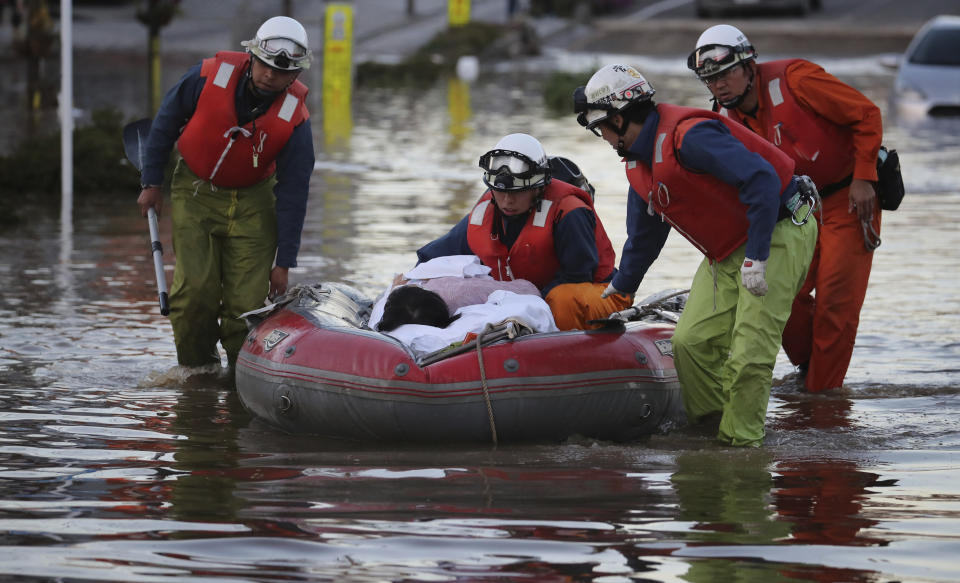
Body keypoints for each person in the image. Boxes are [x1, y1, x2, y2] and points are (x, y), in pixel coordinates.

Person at [573, 64, 818, 446]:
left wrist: (756, 257)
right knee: (690, 344)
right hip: (726, 249)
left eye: (600, 127)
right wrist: (622, 284)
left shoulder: (691, 137)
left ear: (619, 119)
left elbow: (762, 179)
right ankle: (710, 429)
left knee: (749, 353)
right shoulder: (638, 159)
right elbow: (645, 234)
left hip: (778, 232)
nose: (601, 137)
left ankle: (742, 445)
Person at [687, 24, 884, 393]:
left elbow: (867, 114)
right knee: (778, 292)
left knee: (834, 305)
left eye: (726, 73)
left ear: (749, 65)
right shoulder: (721, 118)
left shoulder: (796, 79)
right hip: (796, 209)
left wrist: (865, 178)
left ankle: (820, 399)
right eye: (710, 79)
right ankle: (813, 368)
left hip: (847, 197)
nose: (719, 85)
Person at [136, 16, 316, 370]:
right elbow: (165, 123)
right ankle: (198, 373)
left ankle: (240, 381)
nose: (270, 75)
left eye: (282, 72)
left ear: (294, 76)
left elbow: (295, 191)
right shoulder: (206, 76)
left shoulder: (297, 118)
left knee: (245, 306)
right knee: (194, 296)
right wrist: (151, 183)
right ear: (251, 57)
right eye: (265, 64)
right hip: (195, 190)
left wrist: (284, 262)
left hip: (254, 203)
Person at [416, 134, 630, 330]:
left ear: (538, 187)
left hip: (597, 292)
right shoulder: (486, 212)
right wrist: (412, 280)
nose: (508, 200)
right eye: (501, 191)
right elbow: (435, 255)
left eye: (518, 192)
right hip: (525, 296)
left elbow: (579, 274)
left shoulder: (569, 212)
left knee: (561, 299)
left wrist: (521, 302)